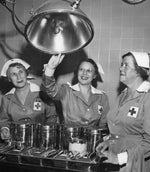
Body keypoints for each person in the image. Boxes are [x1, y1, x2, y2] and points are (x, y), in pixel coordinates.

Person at [96, 51, 150, 172]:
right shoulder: (123, 95)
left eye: (126, 65)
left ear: (139, 70)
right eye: (121, 64)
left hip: (136, 165)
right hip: (114, 162)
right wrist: (110, 142)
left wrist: (119, 158)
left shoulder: (147, 97)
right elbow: (120, 128)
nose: (121, 68)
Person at [41, 54, 110, 129]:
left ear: (94, 76)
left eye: (89, 71)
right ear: (77, 72)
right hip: (70, 138)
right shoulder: (66, 91)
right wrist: (50, 69)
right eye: (81, 69)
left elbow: (103, 124)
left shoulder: (102, 97)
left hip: (93, 139)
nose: (84, 73)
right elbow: (50, 90)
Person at [0, 58, 58, 141]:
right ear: (9, 79)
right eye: (13, 74)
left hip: (40, 142)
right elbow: (4, 121)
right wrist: (4, 129)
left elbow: (52, 117)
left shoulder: (42, 93)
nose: (18, 77)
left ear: (26, 73)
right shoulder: (7, 98)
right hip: (17, 143)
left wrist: (46, 133)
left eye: (21, 72)